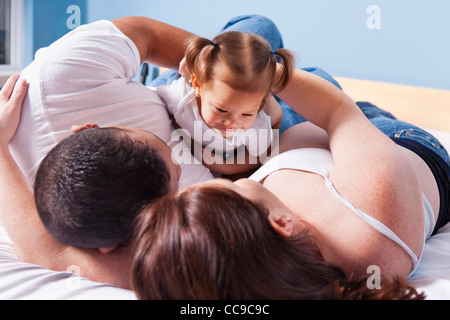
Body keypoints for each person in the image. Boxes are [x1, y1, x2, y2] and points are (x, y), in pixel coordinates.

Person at [0, 15, 353, 291]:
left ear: (89, 126)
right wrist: (259, 127)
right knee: (328, 92)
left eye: (168, 155)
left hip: (172, 93)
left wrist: (214, 75)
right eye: (176, 178)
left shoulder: (59, 80)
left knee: (259, 28)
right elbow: (54, 255)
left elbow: (146, 33)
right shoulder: (118, 230)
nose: (182, 165)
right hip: (239, 137)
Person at [131, 67, 450, 299]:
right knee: (311, 78)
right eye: (235, 187)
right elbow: (338, 112)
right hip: (391, 137)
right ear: (281, 221)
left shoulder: (257, 278)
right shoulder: (375, 215)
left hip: (284, 144)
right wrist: (262, 72)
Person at [156, 31, 295, 175]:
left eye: (246, 114)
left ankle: (275, 97)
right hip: (240, 99)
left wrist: (226, 166)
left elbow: (260, 155)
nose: (231, 123)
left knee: (311, 84)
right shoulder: (179, 97)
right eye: (222, 110)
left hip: (273, 120)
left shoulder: (256, 127)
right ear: (198, 87)